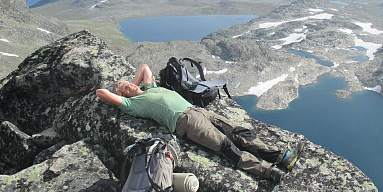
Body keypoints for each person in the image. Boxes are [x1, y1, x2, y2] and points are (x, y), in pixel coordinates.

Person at [96, 64, 304, 183]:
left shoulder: (150, 88)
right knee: (227, 147)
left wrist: (133, 83)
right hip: (185, 122)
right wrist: (122, 93)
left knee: (241, 132)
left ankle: (282, 157)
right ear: (122, 97)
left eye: (128, 84)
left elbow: (144, 68)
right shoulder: (132, 104)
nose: (129, 87)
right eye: (124, 89)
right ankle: (269, 171)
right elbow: (101, 93)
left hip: (198, 111)